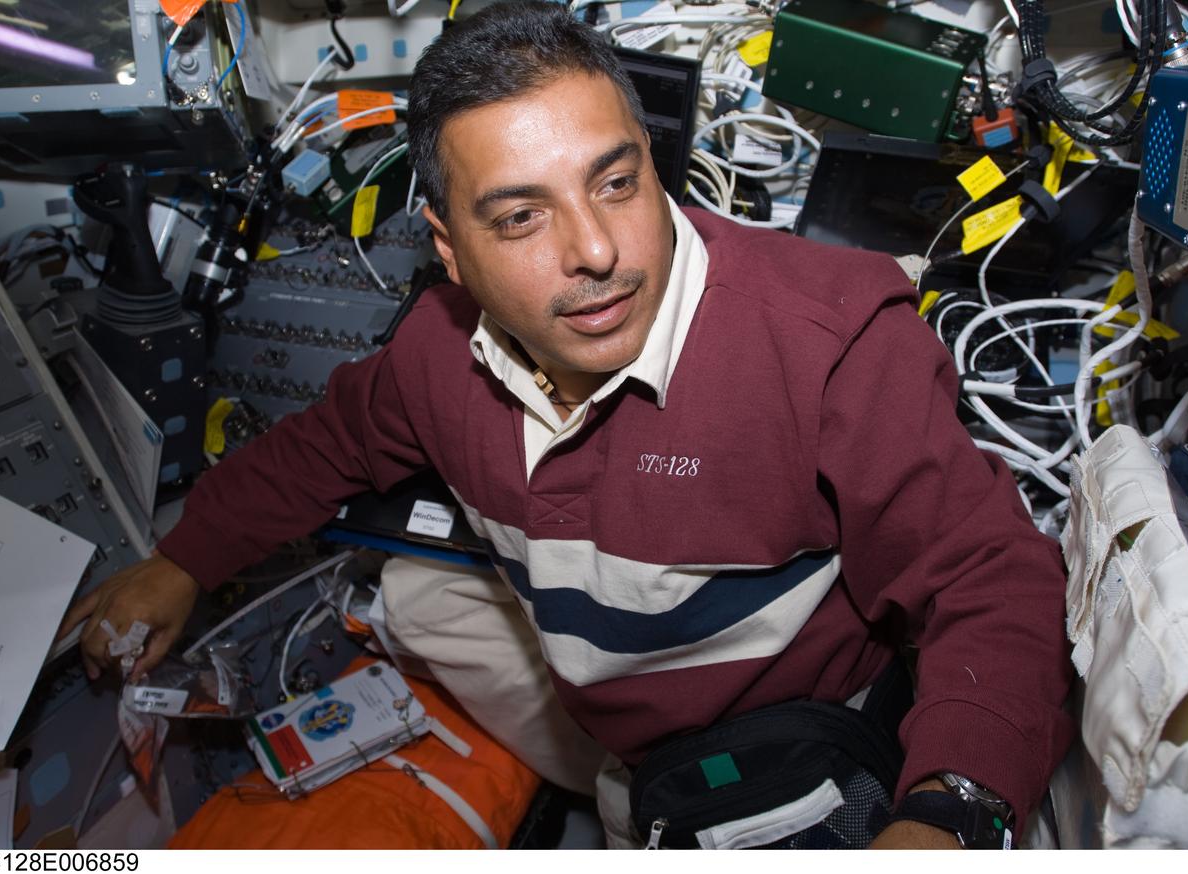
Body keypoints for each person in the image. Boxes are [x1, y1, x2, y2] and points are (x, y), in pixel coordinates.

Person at [59, 1, 1073, 849]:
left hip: (782, 736)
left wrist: (950, 814)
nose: (595, 250)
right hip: (599, 706)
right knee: (407, 599)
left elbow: (988, 582)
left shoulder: (831, 343)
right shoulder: (432, 356)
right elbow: (323, 448)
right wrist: (182, 560)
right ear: (448, 251)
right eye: (520, 217)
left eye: (615, 182)